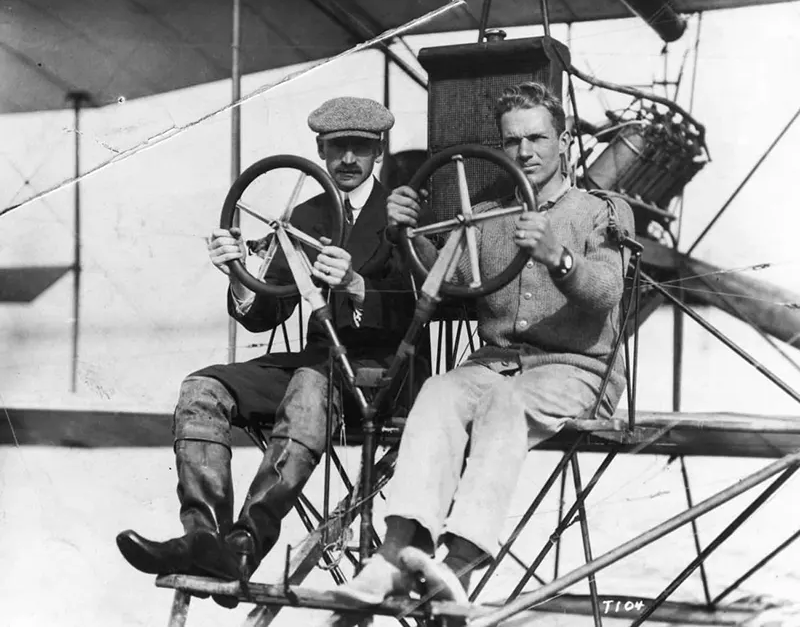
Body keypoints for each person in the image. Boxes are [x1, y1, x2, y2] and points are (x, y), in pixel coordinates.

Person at [333, 81, 635, 606]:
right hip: (495, 365)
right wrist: (407, 232)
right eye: (513, 141)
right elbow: (447, 278)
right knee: (438, 391)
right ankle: (394, 555)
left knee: (505, 401)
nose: (526, 152)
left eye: (539, 138)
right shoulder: (487, 214)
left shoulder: (601, 210)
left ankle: (460, 560)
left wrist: (557, 255)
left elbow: (607, 291)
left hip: (579, 370)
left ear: (564, 142)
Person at [116, 97, 421, 604]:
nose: (347, 160)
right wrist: (237, 276)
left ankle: (243, 546)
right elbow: (265, 312)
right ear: (319, 150)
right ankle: (203, 538)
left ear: (378, 151)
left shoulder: (404, 214)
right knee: (203, 388)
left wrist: (357, 285)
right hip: (317, 365)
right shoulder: (307, 214)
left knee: (307, 384)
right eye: (336, 149)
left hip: (382, 372)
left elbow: (424, 304)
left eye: (359, 149)